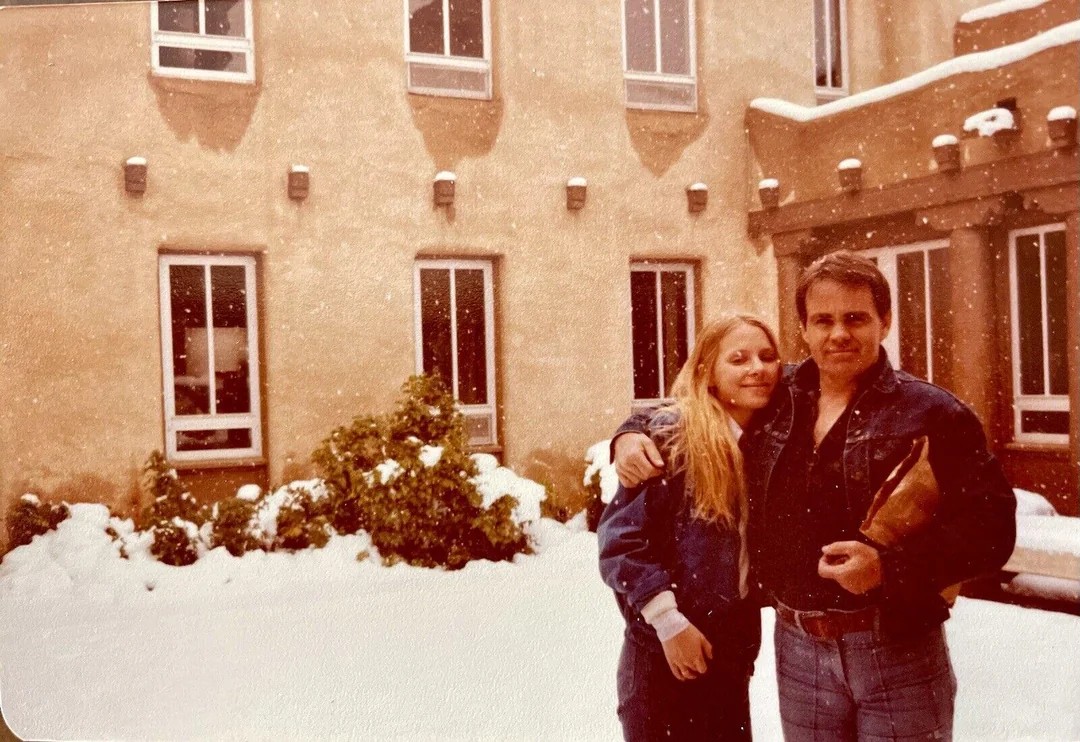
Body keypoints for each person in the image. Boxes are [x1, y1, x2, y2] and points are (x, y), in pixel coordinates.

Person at [612, 250, 1016, 742]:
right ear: (803, 328)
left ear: (884, 322)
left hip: (897, 647)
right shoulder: (778, 396)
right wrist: (630, 434)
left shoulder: (932, 412)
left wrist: (888, 569)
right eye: (823, 320)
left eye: (855, 318)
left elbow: (992, 532)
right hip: (800, 652)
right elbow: (696, 403)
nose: (838, 333)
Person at [598, 313, 782, 741]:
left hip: (731, 654)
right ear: (707, 372)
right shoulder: (672, 439)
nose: (757, 368)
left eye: (767, 356)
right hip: (663, 655)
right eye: (738, 359)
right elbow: (620, 543)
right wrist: (669, 623)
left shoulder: (768, 437)